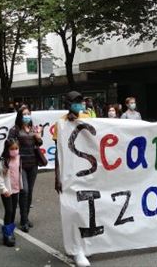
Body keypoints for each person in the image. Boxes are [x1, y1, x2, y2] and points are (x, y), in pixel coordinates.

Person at [53, 91, 91, 267]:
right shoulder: (61, 124)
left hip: (89, 171)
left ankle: (87, 245)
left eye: (80, 101)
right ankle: (77, 250)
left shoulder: (89, 118)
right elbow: (58, 152)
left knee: (86, 209)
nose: (79, 104)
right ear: (67, 104)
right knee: (73, 210)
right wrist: (57, 176)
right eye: (75, 102)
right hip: (69, 173)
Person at [7, 105, 43, 232]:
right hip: (20, 165)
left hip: (33, 164)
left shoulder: (33, 129)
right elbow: (10, 144)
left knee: (30, 192)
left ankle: (26, 217)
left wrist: (38, 137)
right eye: (24, 114)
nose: (27, 116)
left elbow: (39, 144)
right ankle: (23, 220)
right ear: (20, 116)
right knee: (25, 191)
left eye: (29, 114)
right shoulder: (15, 130)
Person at [0, 139, 23, 247]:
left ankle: (10, 231)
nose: (15, 151)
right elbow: (0, 177)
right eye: (12, 149)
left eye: (16, 148)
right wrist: (4, 189)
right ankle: (6, 235)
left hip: (15, 189)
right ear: (7, 149)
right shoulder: (4, 161)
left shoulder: (19, 158)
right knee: (9, 210)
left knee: (13, 212)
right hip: (7, 191)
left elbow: (20, 172)